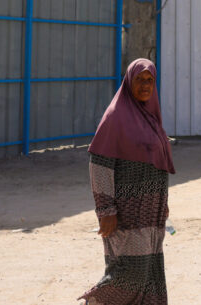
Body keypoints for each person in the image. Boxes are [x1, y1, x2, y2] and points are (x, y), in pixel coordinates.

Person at [80, 58, 175, 305]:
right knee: (130, 271)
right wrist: (106, 210)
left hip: (151, 213)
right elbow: (99, 165)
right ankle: (96, 302)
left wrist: (162, 205)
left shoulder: (151, 117)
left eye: (150, 81)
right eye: (139, 80)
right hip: (126, 213)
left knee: (149, 270)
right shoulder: (116, 116)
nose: (145, 86)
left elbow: (158, 165)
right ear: (128, 82)